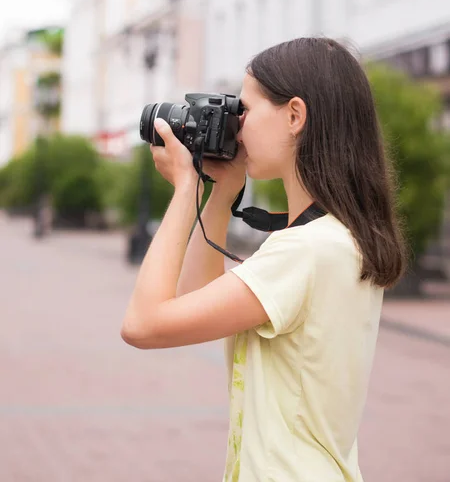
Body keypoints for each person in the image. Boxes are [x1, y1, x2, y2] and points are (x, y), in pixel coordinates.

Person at [121, 37, 408, 482]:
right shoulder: (331, 239)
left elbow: (143, 326)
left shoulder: (304, 251)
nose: (237, 127)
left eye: (247, 110)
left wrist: (184, 191)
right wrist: (219, 192)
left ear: (295, 116)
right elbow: (195, 301)